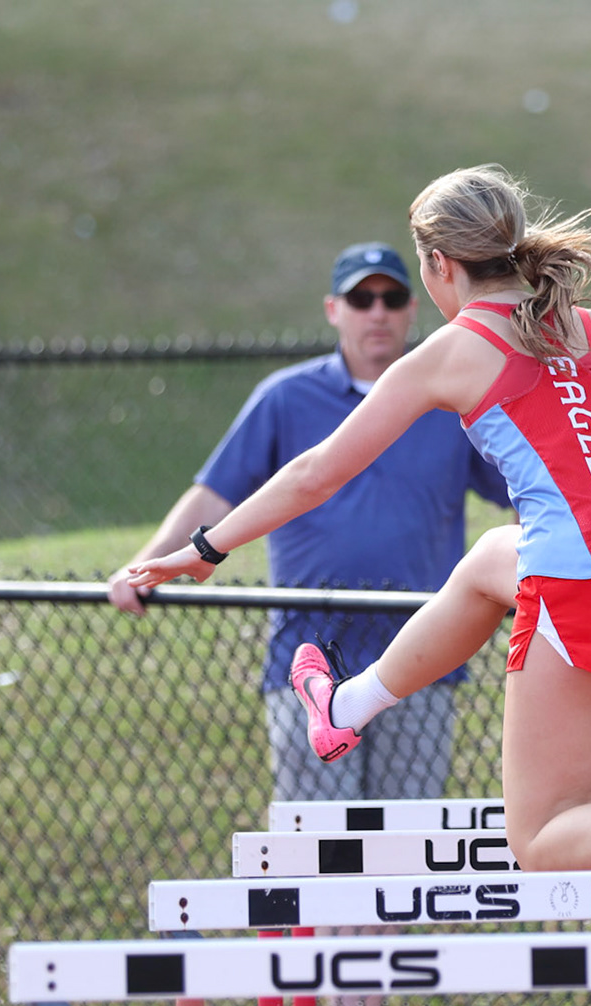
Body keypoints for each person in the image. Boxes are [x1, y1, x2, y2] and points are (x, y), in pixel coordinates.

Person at [127, 165, 591, 872]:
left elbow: (317, 473)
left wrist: (207, 547)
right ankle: (344, 709)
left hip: (587, 578)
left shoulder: (454, 352)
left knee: (540, 836)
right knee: (490, 558)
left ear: (438, 265)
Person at [108, 241, 511, 802]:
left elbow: (525, 489)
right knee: (318, 848)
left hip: (422, 653)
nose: (377, 311)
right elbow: (215, 493)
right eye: (360, 298)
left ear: (411, 308)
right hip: (310, 656)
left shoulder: (449, 400)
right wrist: (145, 562)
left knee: (411, 844)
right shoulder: (285, 398)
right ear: (333, 310)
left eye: (391, 297)